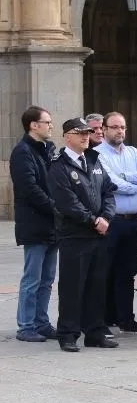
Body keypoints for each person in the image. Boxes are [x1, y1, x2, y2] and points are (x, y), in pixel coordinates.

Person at [49, 117, 118, 352]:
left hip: (98, 235)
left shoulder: (94, 161)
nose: (86, 136)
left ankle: (95, 331)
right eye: (80, 133)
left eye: (88, 132)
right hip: (75, 236)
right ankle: (68, 333)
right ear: (67, 136)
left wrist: (106, 218)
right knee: (72, 287)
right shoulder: (59, 166)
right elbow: (67, 202)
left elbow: (109, 191)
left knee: (96, 286)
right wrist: (92, 220)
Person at [95, 112, 137, 334]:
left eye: (123, 127)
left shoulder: (134, 152)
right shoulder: (97, 154)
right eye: (115, 127)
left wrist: (127, 177)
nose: (120, 131)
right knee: (105, 271)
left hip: (133, 222)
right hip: (112, 221)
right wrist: (135, 183)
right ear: (105, 129)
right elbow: (111, 184)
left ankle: (126, 319)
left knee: (128, 273)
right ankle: (102, 320)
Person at [11, 106, 60, 342]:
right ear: (33, 125)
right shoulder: (22, 152)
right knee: (32, 279)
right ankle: (26, 326)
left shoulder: (48, 150)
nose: (51, 126)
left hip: (52, 225)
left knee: (48, 279)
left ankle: (42, 322)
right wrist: (55, 207)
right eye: (47, 122)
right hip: (34, 224)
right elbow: (29, 189)